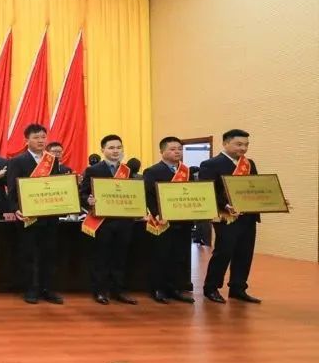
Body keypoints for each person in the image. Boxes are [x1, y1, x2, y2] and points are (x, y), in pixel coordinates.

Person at [200, 129, 262, 304]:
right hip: (226, 217)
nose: (243, 148)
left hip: (248, 217)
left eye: (246, 145)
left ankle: (238, 288)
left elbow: (255, 187)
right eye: (239, 144)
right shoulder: (211, 164)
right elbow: (208, 191)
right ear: (226, 143)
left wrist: (272, 200)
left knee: (245, 253)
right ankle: (211, 288)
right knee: (224, 252)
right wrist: (226, 205)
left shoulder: (249, 164)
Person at [8, 123, 65, 304]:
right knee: (29, 255)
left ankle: (47, 289)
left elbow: (56, 186)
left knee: (49, 254)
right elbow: (12, 190)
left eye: (43, 137)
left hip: (50, 216)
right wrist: (15, 209)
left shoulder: (52, 161)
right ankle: (31, 290)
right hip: (28, 216)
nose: (41, 141)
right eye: (36, 137)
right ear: (27, 140)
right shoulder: (17, 161)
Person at [80, 134, 137, 305]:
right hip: (103, 222)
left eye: (119, 147)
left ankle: (118, 291)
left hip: (124, 222)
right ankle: (100, 291)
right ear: (103, 150)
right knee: (101, 258)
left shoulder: (128, 171)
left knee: (121, 257)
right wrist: (88, 200)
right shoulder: (93, 170)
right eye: (111, 148)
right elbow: (82, 194)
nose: (115, 151)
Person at [142, 136, 195, 304]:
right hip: (162, 222)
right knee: (161, 256)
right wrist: (157, 214)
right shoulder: (152, 171)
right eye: (172, 149)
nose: (177, 152)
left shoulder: (186, 172)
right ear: (162, 151)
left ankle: (175, 288)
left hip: (183, 221)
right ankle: (157, 289)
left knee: (179, 257)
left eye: (179, 149)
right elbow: (148, 195)